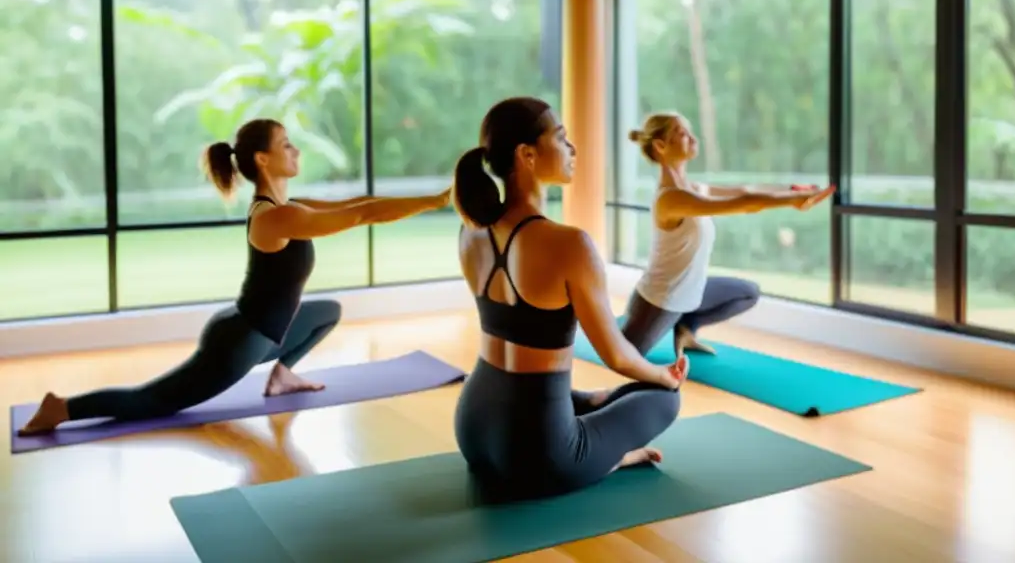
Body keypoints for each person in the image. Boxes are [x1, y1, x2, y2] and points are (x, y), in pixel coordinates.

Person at [18, 118, 451, 435]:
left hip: (265, 333)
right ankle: (62, 408)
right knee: (155, 402)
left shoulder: (292, 206)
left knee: (328, 312)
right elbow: (361, 215)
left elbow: (360, 200)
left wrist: (434, 198)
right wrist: (435, 201)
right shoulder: (275, 218)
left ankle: (282, 375)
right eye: (286, 144)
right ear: (263, 159)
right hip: (239, 342)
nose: (296, 150)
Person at [452, 97, 685, 501]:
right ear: (527, 155)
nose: (572, 148)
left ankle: (593, 404)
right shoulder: (570, 244)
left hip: (472, 427)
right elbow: (617, 356)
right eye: (561, 138)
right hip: (540, 457)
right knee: (664, 398)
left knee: (614, 395)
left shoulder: (470, 232)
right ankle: (614, 458)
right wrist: (663, 375)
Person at [620, 111, 834, 359]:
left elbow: (743, 191)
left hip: (690, 295)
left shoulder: (693, 188)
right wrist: (792, 201)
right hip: (659, 304)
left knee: (747, 293)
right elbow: (745, 203)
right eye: (682, 133)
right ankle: (659, 327)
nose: (692, 137)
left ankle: (685, 329)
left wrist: (792, 190)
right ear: (660, 145)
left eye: (690, 131)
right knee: (626, 358)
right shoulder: (671, 198)